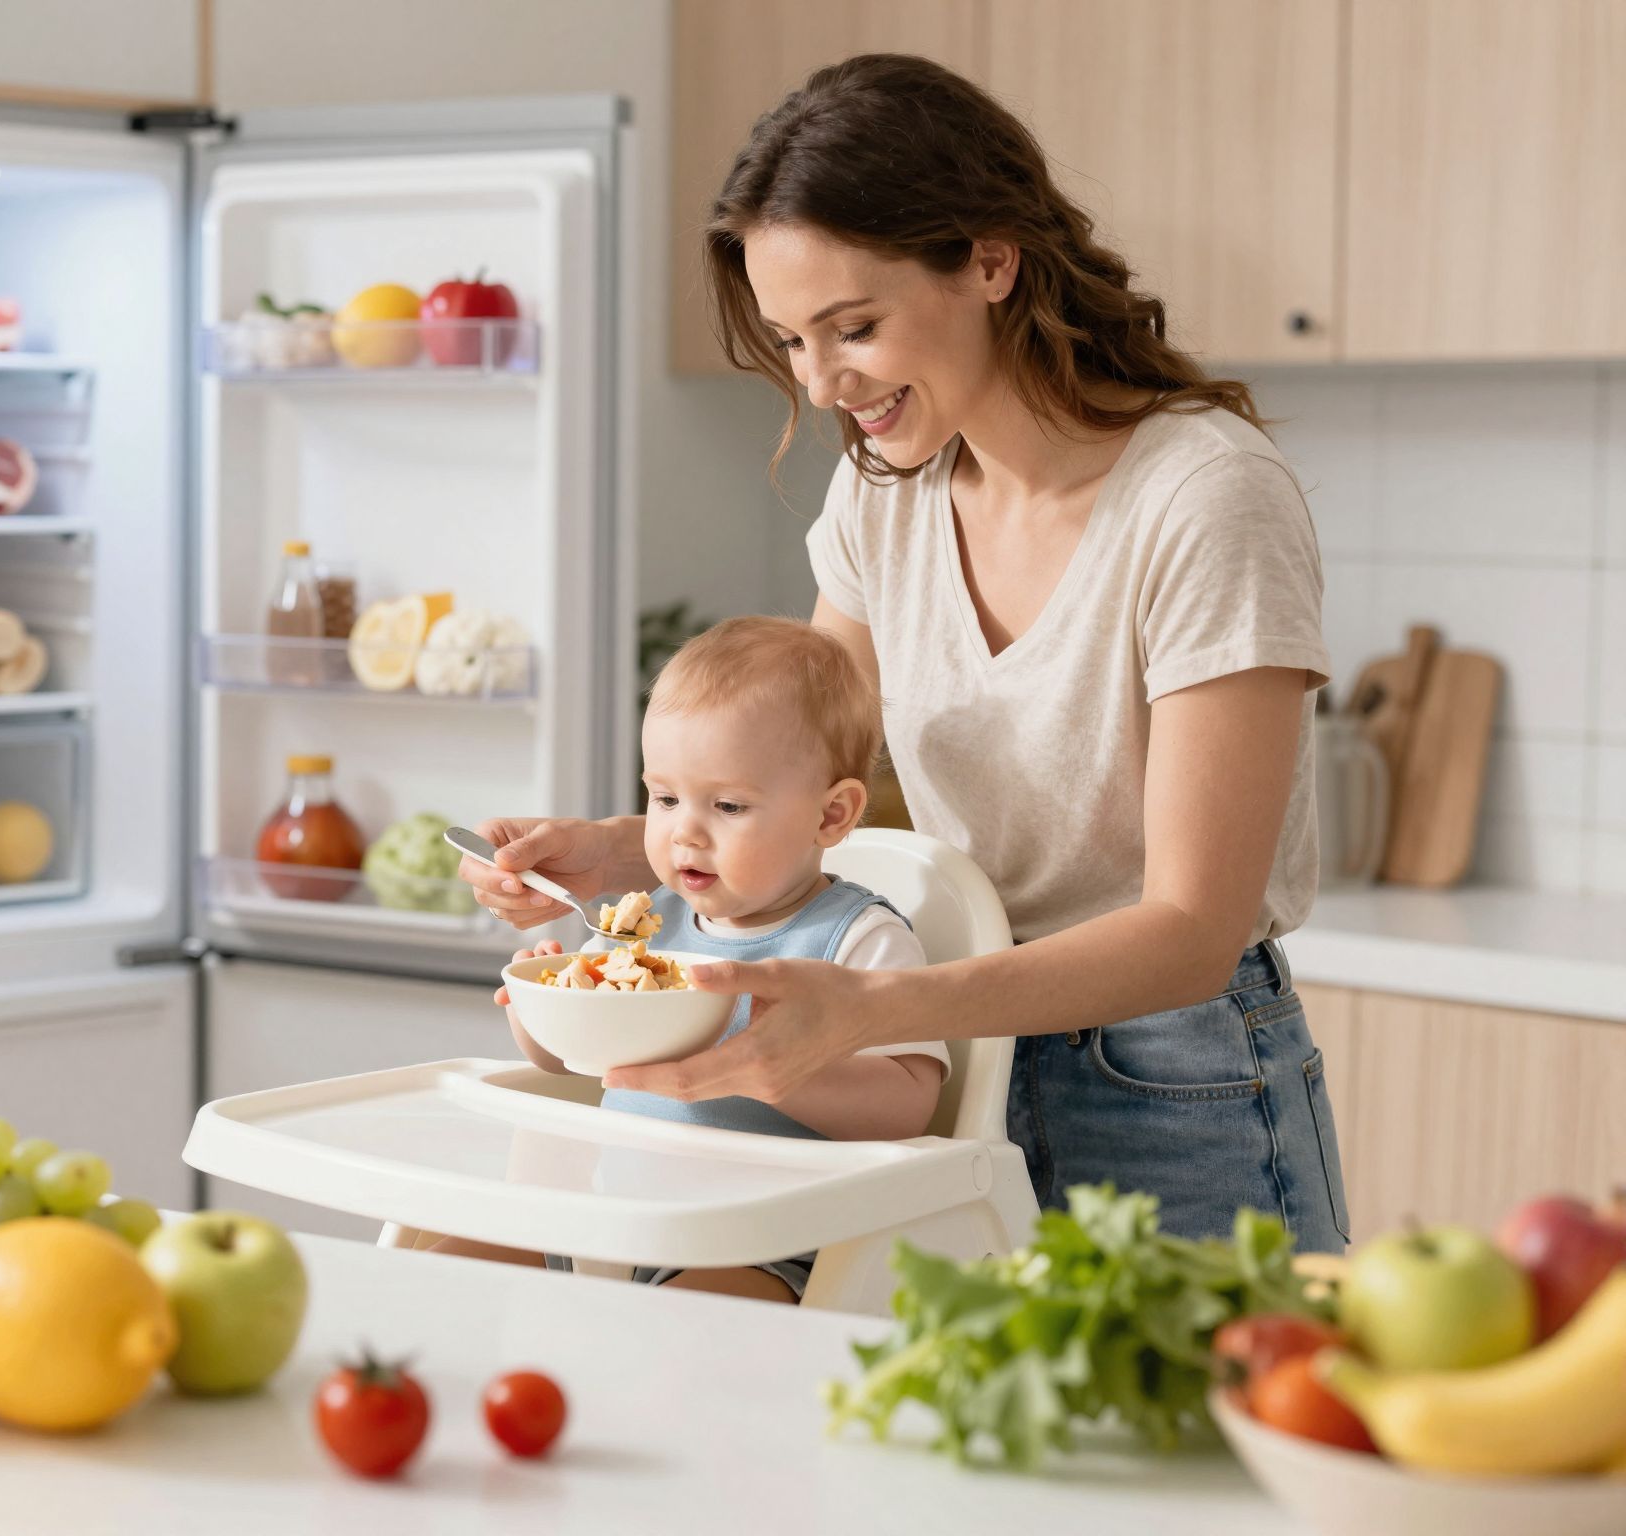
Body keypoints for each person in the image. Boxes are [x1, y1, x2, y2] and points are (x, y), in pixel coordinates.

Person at [462, 53, 1348, 1252]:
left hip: (1165, 1076)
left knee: (1192, 1433)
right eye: (790, 341)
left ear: (991, 260)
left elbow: (1192, 926)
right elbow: (815, 776)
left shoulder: (1203, 497)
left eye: (855, 328)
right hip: (940, 1046)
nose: (824, 384)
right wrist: (623, 851)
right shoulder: (884, 492)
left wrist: (874, 1004)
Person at [434, 617, 952, 1303]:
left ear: (831, 817)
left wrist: (769, 1065)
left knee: (695, 1324)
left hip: (763, 1243)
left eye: (728, 804)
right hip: (603, 1212)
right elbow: (566, 1062)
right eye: (666, 797)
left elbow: (908, 1106)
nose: (684, 830)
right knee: (445, 1264)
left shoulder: (858, 939)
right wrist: (545, 1009)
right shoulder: (643, 925)